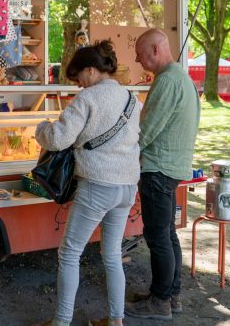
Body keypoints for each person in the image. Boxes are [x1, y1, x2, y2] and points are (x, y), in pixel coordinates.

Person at [34, 40, 141, 326]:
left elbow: (58, 139)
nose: (79, 84)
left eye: (79, 77)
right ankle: (116, 321)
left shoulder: (87, 99)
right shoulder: (131, 98)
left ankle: (61, 322)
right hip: (127, 186)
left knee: (69, 253)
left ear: (91, 71)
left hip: (97, 185)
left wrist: (41, 127)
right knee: (112, 255)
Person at [125, 29, 200, 321]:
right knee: (167, 235)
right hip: (172, 166)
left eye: (140, 54)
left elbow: (147, 130)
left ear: (156, 50)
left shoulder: (167, 80)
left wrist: (123, 153)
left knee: (158, 237)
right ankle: (171, 294)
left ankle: (160, 301)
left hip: (158, 167)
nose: (137, 59)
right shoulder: (182, 77)